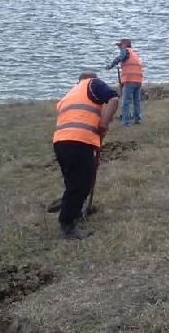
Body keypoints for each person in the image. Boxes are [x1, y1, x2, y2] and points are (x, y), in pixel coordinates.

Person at [53, 71, 119, 239]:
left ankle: (73, 211)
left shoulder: (70, 93)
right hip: (78, 141)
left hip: (61, 142)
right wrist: (104, 123)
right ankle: (67, 224)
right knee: (81, 184)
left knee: (73, 182)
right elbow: (114, 98)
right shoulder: (93, 84)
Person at [105, 38, 143, 126]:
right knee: (136, 101)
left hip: (130, 80)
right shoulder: (134, 53)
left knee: (126, 102)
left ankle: (126, 122)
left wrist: (110, 65)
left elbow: (120, 58)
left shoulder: (125, 51)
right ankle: (137, 119)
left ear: (125, 44)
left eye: (120, 45)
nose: (119, 47)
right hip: (138, 80)